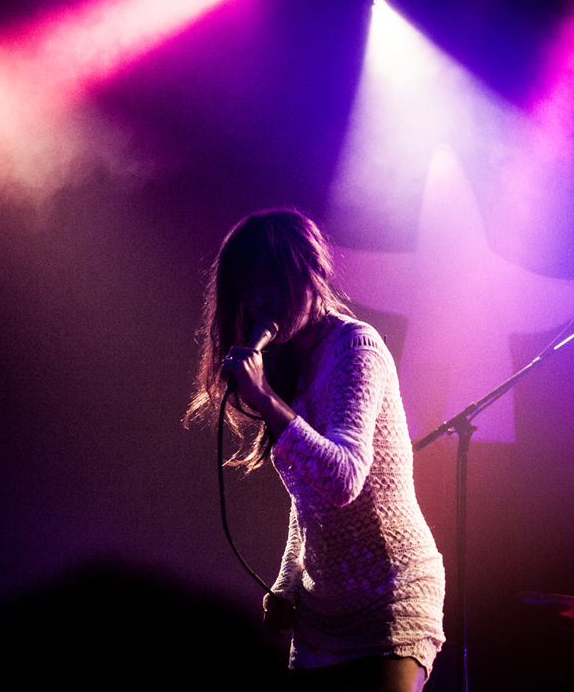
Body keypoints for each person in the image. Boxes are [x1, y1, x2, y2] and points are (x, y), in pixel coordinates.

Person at [187, 209, 445, 691]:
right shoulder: (293, 363)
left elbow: (343, 480)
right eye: (249, 287)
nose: (260, 299)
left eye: (272, 282)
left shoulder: (355, 348)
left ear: (310, 272)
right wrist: (287, 582)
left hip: (390, 596)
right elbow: (308, 500)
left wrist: (266, 400)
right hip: (322, 611)